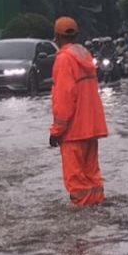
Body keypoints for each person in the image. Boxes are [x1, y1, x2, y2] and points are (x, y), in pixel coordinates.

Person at [50, 17, 108, 206]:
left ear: (57, 36)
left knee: (76, 182)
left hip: (74, 132)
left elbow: (64, 98)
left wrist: (56, 131)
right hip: (91, 128)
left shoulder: (64, 60)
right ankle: (98, 210)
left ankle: (84, 223)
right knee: (93, 177)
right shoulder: (86, 55)